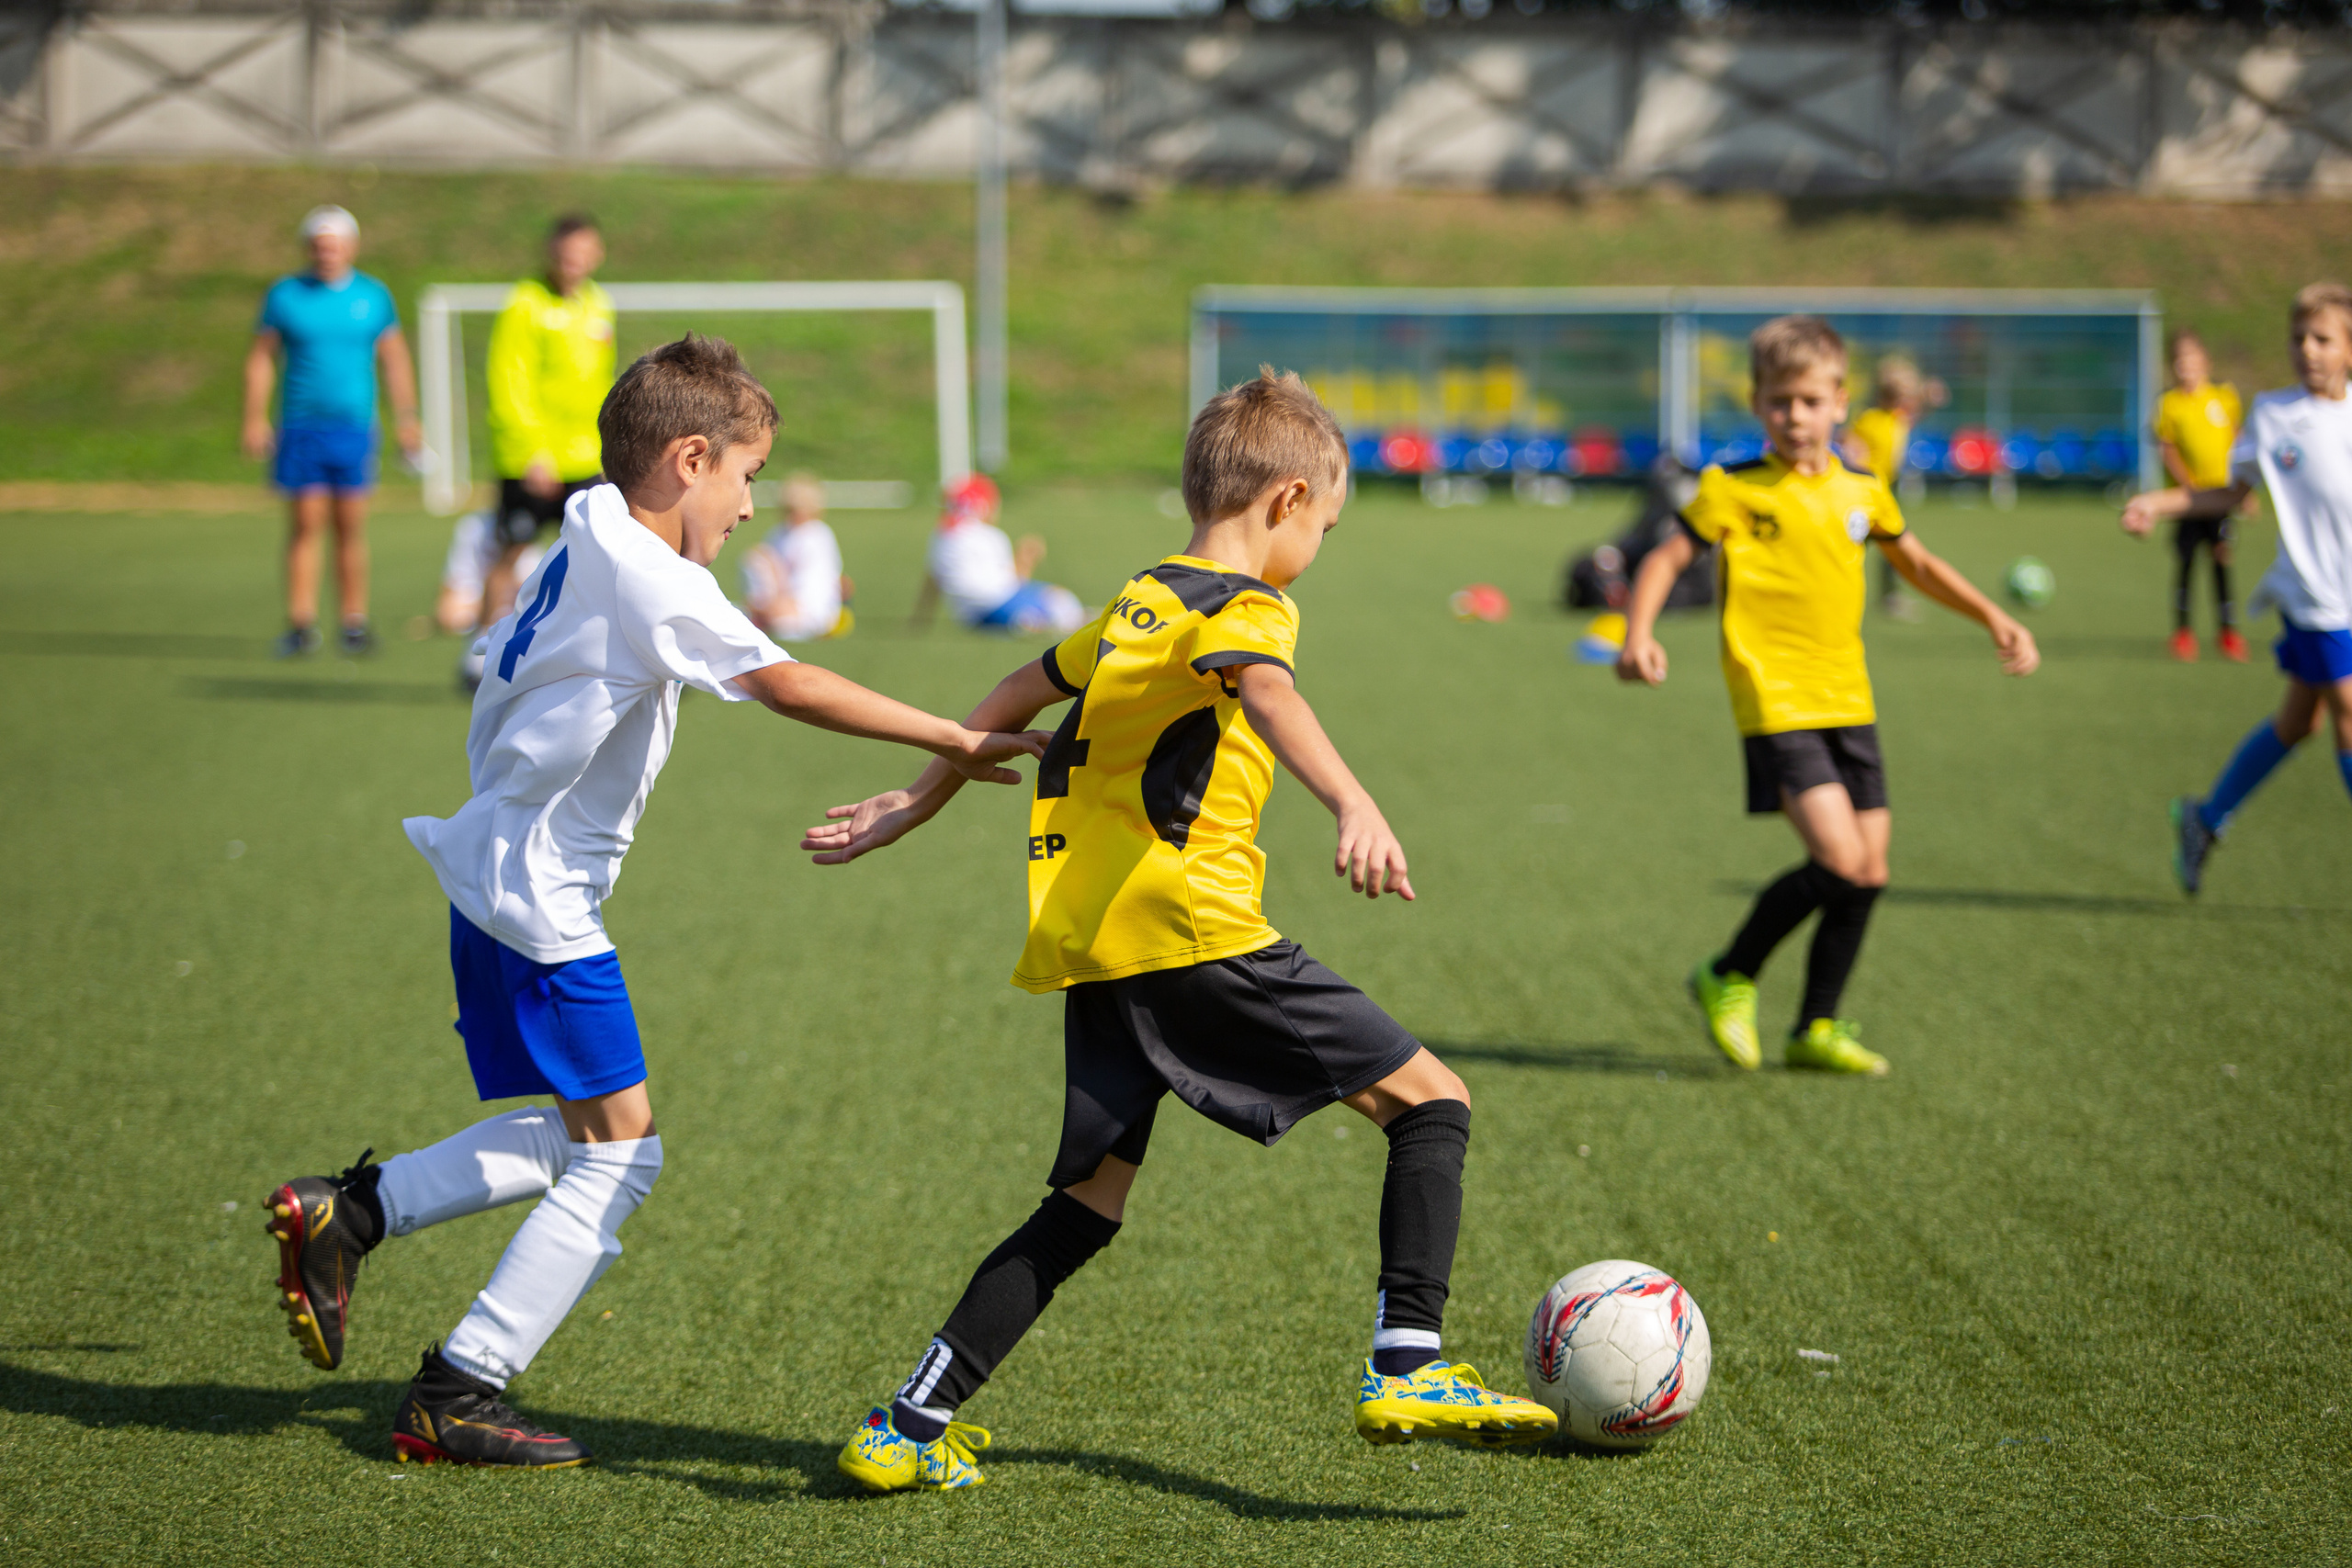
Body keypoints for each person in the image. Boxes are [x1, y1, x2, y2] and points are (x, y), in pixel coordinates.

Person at [259, 335, 1046, 1468]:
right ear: (687, 459)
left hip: (486, 871)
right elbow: (786, 679)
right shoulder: (649, 576)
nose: (747, 504)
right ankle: (456, 1389)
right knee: (624, 1157)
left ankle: (357, 1213)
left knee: (576, 1134)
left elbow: (507, 663)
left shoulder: (586, 531)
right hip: (541, 903)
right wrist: (954, 738)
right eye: (744, 476)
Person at [801, 369, 1556, 1494]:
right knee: (1432, 1101)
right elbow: (1264, 689)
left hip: (1099, 946)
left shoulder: (1136, 602)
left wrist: (918, 800)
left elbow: (1010, 694)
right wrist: (1353, 801)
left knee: (1085, 1207)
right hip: (1197, 930)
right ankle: (1410, 1360)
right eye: (1327, 530)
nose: (1318, 553)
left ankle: (905, 1426)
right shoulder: (1246, 606)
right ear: (1288, 499)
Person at [1617, 317, 2039, 1077]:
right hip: (1774, 696)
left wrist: (1992, 616)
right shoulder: (1732, 488)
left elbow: (1916, 562)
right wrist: (1638, 632)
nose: (1795, 416)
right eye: (1779, 402)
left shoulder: (1862, 491)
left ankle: (1816, 1025)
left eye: (1810, 400)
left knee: (1870, 869)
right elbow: (1665, 556)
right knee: (1840, 859)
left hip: (1849, 696)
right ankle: (1730, 971)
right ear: (1758, 404)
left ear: (1841, 402)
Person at [2122, 283, 2352, 896]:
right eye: (2299, 337)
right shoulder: (2276, 416)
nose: (2307, 349)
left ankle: (2205, 817)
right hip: (2316, 598)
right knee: (2348, 713)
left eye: (2323, 338)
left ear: (2349, 348)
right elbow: (2228, 492)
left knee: (2298, 721)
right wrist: (2157, 501)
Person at [242, 206, 421, 658]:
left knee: (349, 526)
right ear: (308, 248)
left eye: (336, 245)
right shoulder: (285, 295)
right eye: (320, 246)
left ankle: (353, 622)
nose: (328, 253)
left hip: (354, 427)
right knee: (304, 524)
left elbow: (394, 357)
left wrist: (407, 418)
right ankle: (301, 624)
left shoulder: (372, 296)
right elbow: (262, 356)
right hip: (301, 426)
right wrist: (254, 416)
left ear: (351, 248)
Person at [466, 214, 616, 686]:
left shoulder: (599, 305)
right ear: (551, 253)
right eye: (564, 253)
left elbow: (602, 383)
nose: (572, 263)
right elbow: (508, 379)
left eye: (582, 253)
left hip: (586, 457)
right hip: (533, 458)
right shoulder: (524, 303)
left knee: (604, 554)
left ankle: (611, 655)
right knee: (512, 548)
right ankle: (478, 652)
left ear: (597, 255)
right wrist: (532, 450)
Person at [2145, 329, 2248, 662]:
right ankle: (2183, 633)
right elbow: (2167, 448)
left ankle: (2228, 631)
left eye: (2191, 357)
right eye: (2179, 360)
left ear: (2205, 360)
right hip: (2187, 500)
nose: (2185, 365)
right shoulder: (2170, 403)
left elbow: (2239, 441)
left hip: (2221, 496)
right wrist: (2186, 483)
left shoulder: (2224, 397)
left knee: (2220, 558)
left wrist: (2245, 488)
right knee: (2186, 561)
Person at [912, 474, 1087, 635]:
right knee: (1061, 598)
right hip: (1000, 604)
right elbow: (1013, 583)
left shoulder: (940, 536)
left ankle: (1027, 619)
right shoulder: (991, 536)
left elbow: (933, 580)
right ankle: (1046, 619)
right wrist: (1026, 558)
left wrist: (921, 618)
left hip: (969, 617)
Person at [1840, 354, 1945, 622]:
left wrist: (1929, 398)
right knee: (1846, 549)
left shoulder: (1895, 418)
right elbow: (1849, 448)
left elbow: (1916, 410)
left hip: (1883, 495)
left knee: (1893, 551)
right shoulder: (1871, 420)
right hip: (1862, 496)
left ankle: (1890, 598)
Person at [741, 472, 851, 640]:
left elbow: (814, 582)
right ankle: (763, 613)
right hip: (779, 599)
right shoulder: (779, 533)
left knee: (782, 623)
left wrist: (789, 603)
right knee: (756, 557)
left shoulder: (817, 535)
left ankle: (769, 617)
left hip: (805, 609)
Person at [435, 510, 543, 637]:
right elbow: (449, 611)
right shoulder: (473, 527)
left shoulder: (523, 528)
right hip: (477, 599)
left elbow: (534, 594)